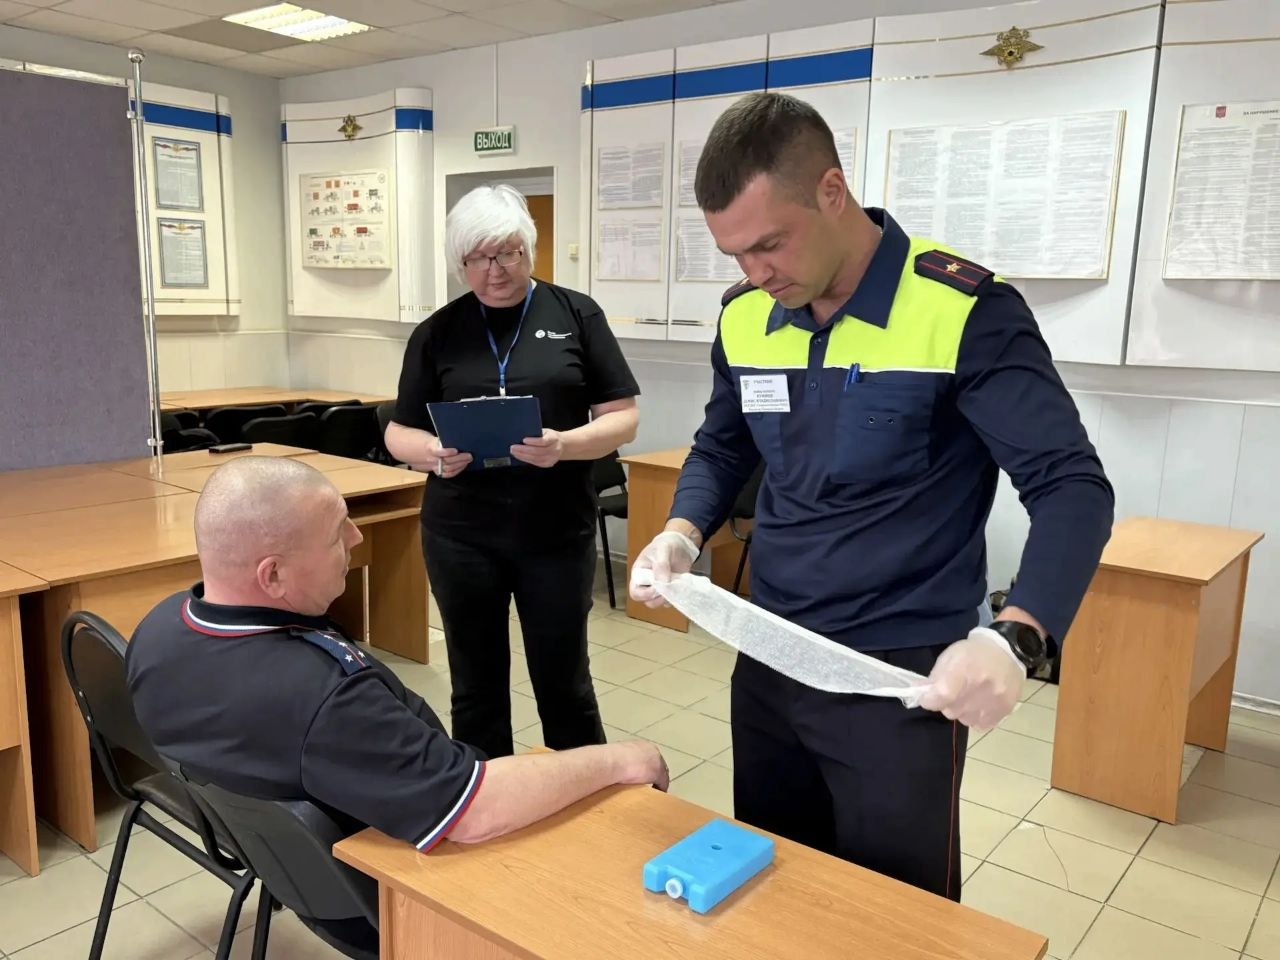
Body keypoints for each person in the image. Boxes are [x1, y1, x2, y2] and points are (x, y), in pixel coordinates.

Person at [630, 92, 1113, 901]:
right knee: (771, 884)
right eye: (735, 255)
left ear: (832, 190)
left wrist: (1017, 635)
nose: (756, 274)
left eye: (769, 244)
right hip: (772, 651)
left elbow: (1071, 486)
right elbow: (723, 444)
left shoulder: (962, 311)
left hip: (897, 676)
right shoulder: (747, 316)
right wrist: (681, 531)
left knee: (897, 911)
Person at [127, 457, 668, 956]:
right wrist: (622, 759)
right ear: (272, 575)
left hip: (284, 864)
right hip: (379, 894)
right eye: (336, 533)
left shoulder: (158, 631)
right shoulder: (323, 699)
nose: (357, 538)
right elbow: (475, 810)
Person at [385, 185, 640, 761]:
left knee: (564, 680)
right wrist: (432, 452)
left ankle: (584, 793)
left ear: (529, 248)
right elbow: (398, 432)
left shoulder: (576, 314)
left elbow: (623, 419)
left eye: (507, 253)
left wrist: (565, 445)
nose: (494, 270)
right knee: (475, 684)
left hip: (555, 531)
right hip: (461, 535)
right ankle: (488, 793)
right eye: (477, 258)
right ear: (460, 262)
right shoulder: (438, 331)